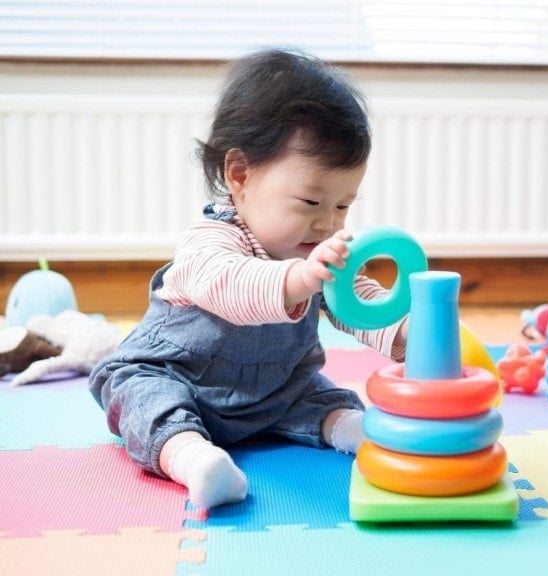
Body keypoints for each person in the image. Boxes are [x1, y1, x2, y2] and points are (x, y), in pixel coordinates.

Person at [89, 48, 408, 509]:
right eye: (310, 202)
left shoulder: (316, 252)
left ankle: (354, 432)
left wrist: (405, 331)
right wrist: (299, 278)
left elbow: (356, 299)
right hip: (180, 379)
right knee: (142, 397)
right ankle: (194, 459)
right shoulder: (209, 243)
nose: (327, 224)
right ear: (239, 174)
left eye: (343, 205)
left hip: (274, 390)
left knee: (323, 394)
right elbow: (230, 283)